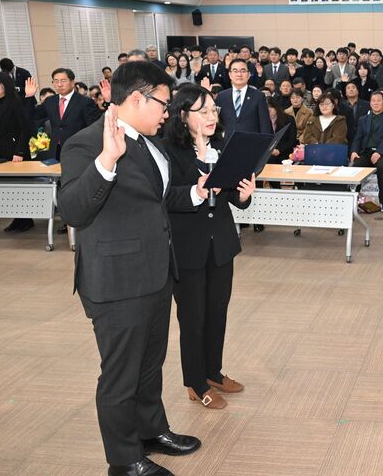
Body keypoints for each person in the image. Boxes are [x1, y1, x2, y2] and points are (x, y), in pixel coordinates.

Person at [57, 61, 203, 476]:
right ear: (136, 98)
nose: (168, 111)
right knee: (120, 375)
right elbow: (72, 210)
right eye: (164, 102)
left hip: (155, 274)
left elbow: (154, 200)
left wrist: (194, 192)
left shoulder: (150, 142)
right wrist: (106, 160)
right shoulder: (87, 144)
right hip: (117, 281)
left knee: (149, 364)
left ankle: (151, 430)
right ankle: (124, 460)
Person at [161, 85, 256, 410]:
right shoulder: (167, 151)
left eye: (214, 110)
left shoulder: (222, 147)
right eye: (203, 111)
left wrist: (243, 195)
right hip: (187, 247)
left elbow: (229, 195)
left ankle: (213, 373)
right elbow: (165, 197)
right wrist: (197, 183)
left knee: (217, 312)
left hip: (221, 244)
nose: (211, 116)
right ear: (183, 115)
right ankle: (195, 382)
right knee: (193, 317)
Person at [0, 72, 34, 231]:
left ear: (5, 84)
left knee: (19, 186)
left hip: (16, 152)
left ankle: (26, 220)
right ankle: (17, 218)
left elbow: (25, 128)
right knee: (6, 186)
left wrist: (20, 151)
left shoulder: (14, 102)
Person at [30, 67, 102, 159]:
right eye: (56, 81)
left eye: (63, 81)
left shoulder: (84, 102)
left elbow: (94, 126)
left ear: (72, 82)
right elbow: (33, 115)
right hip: (56, 150)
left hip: (78, 149)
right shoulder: (50, 101)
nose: (59, 84)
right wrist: (29, 97)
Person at [350, 91, 383, 212]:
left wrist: (379, 152)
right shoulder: (363, 119)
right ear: (370, 103)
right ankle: (353, 199)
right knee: (357, 165)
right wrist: (354, 151)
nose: (375, 103)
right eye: (373, 101)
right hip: (366, 152)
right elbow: (358, 137)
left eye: (378, 100)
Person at [215, 58, 271, 140]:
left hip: (252, 144)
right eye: (235, 71)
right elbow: (218, 123)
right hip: (227, 145)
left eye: (243, 71)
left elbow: (265, 125)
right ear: (230, 74)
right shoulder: (221, 96)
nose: (239, 74)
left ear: (248, 75)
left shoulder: (259, 96)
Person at [266, 97, 298, 163]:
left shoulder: (289, 119)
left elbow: (292, 140)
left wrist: (279, 150)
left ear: (276, 108)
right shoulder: (262, 121)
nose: (267, 114)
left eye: (269, 111)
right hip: (268, 154)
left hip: (285, 152)